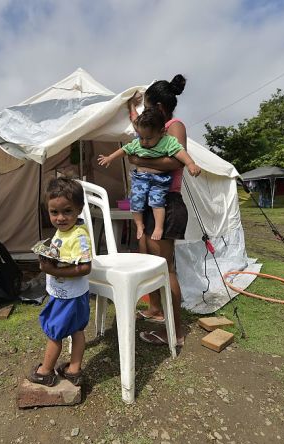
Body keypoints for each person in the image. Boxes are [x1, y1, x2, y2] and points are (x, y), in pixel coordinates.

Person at [127, 74, 197, 347]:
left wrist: (137, 157)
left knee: (165, 268)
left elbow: (175, 162)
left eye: (146, 106)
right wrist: (129, 108)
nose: (143, 112)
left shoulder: (173, 126)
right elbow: (136, 124)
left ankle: (175, 333)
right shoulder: (151, 127)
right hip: (150, 204)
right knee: (147, 259)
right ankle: (156, 311)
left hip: (167, 203)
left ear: (157, 104)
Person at [97, 108, 201, 240]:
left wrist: (191, 164)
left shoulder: (167, 142)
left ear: (162, 132)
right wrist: (110, 157)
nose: (144, 141)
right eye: (141, 137)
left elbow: (180, 152)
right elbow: (124, 150)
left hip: (159, 180)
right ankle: (139, 225)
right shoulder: (137, 143)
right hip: (140, 179)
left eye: (149, 138)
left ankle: (159, 227)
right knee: (135, 201)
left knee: (157, 202)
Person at [28, 178, 92, 387]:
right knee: (76, 330)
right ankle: (74, 369)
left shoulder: (79, 236)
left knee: (54, 333)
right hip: (69, 293)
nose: (60, 218)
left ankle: (45, 371)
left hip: (68, 296)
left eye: (67, 211)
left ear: (79, 209)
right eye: (54, 212)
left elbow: (85, 267)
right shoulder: (63, 232)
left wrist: (51, 269)